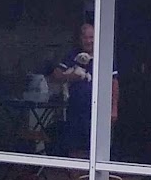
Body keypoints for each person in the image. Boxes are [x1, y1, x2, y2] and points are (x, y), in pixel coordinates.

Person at [42, 21, 117, 157]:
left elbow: (114, 83)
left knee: (98, 148)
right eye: (85, 37)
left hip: (99, 110)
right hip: (76, 109)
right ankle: (76, 171)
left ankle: (93, 171)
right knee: (74, 147)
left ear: (97, 38)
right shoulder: (73, 55)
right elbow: (56, 75)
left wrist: (113, 109)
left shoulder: (105, 56)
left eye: (91, 37)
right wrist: (70, 77)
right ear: (80, 39)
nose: (88, 41)